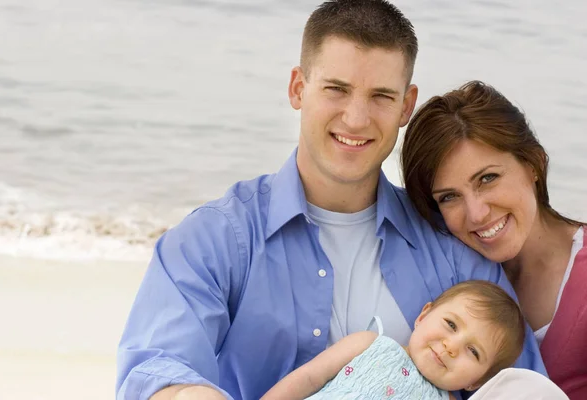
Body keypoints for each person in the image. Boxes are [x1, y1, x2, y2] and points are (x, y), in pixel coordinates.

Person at [116, 3, 546, 400]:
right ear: (298, 88)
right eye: (336, 89)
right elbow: (157, 370)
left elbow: (519, 387)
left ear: (405, 106)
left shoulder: (457, 258)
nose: (356, 119)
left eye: (381, 96)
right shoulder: (215, 238)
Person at [401, 80, 586, 399]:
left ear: (534, 164)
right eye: (449, 197)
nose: (476, 214)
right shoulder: (450, 274)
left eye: (487, 178)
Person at [261, 280, 526, 400]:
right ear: (424, 315)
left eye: (474, 352)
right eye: (451, 324)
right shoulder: (369, 344)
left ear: (476, 382)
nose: (451, 346)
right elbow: (309, 377)